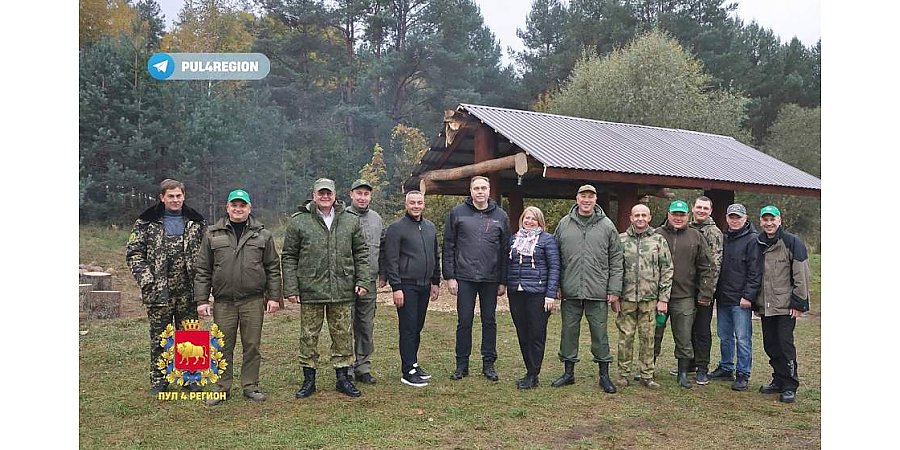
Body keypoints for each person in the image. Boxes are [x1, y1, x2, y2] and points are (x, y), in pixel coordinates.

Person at [282, 178, 373, 398]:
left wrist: (362, 281)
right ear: (313, 195)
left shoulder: (349, 220)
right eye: (321, 193)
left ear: (335, 195)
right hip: (310, 287)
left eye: (328, 193)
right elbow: (289, 256)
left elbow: (361, 253)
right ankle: (308, 379)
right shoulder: (299, 221)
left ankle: (343, 378)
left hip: (342, 287)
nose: (325, 197)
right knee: (308, 335)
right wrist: (291, 288)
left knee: (342, 334)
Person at [193, 189, 283, 406]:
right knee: (222, 345)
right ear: (227, 208)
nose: (238, 209)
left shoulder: (263, 235)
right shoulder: (212, 234)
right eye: (234, 205)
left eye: (242, 205)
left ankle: (250, 386)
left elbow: (272, 267)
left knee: (252, 345)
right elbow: (203, 269)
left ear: (249, 208)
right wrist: (202, 300)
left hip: (253, 301)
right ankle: (222, 388)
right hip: (224, 302)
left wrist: (274, 297)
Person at [126, 178, 207, 394]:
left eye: (178, 195)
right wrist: (147, 280)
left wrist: (203, 285)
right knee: (160, 336)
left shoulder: (196, 222)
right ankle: (159, 379)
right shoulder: (146, 222)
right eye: (170, 196)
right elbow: (134, 254)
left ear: (184, 196)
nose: (175, 200)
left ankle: (191, 378)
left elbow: (207, 254)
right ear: (162, 198)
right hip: (158, 289)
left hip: (189, 289)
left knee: (190, 335)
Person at [550, 185, 623, 394]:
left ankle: (604, 375)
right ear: (577, 198)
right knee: (568, 332)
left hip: (598, 291)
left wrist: (614, 289)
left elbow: (616, 259)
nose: (586, 200)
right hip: (570, 289)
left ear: (595, 200)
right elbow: (555, 258)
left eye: (590, 197)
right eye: (583, 196)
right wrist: (556, 285)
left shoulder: (607, 226)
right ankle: (568, 373)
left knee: (600, 334)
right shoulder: (564, 224)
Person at [443, 176, 511, 381]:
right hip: (464, 277)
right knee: (464, 321)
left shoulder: (501, 216)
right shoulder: (457, 213)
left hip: (491, 278)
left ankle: (488, 364)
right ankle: (461, 365)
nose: (480, 192)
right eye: (476, 188)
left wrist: (503, 280)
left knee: (489, 321)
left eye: (483, 188)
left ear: (489, 191)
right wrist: (450, 276)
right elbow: (448, 246)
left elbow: (505, 249)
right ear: (470, 191)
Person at [652, 200, 715, 389]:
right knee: (654, 334)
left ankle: (683, 372)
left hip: (684, 296)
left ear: (687, 216)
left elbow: (707, 266)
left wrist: (705, 292)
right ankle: (648, 369)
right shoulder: (656, 235)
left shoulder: (696, 236)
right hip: (658, 298)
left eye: (682, 214)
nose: (678, 218)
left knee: (684, 336)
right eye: (675, 214)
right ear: (669, 215)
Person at [382, 191, 441, 387]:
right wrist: (396, 287)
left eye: (419, 202)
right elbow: (391, 259)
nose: (416, 206)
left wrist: (435, 282)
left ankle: (414, 364)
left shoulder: (430, 227)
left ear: (424, 204)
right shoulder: (396, 228)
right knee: (407, 328)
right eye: (412, 203)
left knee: (417, 327)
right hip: (406, 285)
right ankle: (407, 371)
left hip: (425, 285)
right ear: (406, 204)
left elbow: (435, 255)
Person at [755, 205, 810, 403]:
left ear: (780, 221)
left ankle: (790, 385)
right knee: (770, 344)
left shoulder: (792, 242)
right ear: (761, 221)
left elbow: (801, 275)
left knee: (785, 345)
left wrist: (799, 303)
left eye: (772, 219)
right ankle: (778, 379)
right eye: (765, 219)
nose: (769, 223)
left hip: (786, 305)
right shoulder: (758, 242)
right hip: (766, 304)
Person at [616, 204, 673, 389]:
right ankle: (623, 373)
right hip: (627, 298)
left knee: (648, 337)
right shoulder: (621, 240)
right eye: (637, 215)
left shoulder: (658, 240)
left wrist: (663, 298)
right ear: (631, 218)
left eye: (644, 215)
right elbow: (615, 269)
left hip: (650, 299)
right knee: (626, 337)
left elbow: (667, 269)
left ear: (649, 218)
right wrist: (615, 295)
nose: (640, 218)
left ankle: (646, 375)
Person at [506, 206, 561, 390]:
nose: (529, 221)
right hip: (516, 292)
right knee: (522, 333)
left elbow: (554, 268)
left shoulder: (547, 240)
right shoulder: (514, 239)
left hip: (538, 293)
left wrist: (550, 294)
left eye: (533, 219)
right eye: (527, 218)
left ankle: (533, 373)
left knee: (536, 334)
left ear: (540, 222)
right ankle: (529, 370)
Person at [709, 203, 761, 391]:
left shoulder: (752, 240)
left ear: (745, 218)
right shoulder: (724, 238)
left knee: (743, 338)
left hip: (741, 300)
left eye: (738, 217)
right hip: (723, 297)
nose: (735, 220)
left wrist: (748, 296)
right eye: (732, 217)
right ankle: (726, 367)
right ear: (727, 218)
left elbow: (755, 271)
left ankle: (743, 373)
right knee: (724, 336)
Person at [345, 179, 385, 385]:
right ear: (351, 194)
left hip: (368, 282)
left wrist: (383, 275)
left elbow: (383, 248)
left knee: (366, 325)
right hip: (346, 281)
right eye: (358, 193)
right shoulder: (341, 218)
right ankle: (348, 366)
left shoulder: (377, 219)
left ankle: (363, 366)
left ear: (370, 196)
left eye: (366, 194)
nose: (362, 197)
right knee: (346, 325)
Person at [684, 196, 723, 385]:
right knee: (687, 327)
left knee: (701, 329)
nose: (701, 210)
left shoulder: (713, 232)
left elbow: (714, 264)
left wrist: (708, 291)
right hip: (685, 288)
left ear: (710, 210)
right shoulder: (687, 228)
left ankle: (702, 367)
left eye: (705, 208)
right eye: (698, 207)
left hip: (704, 290)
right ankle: (689, 362)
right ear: (693, 208)